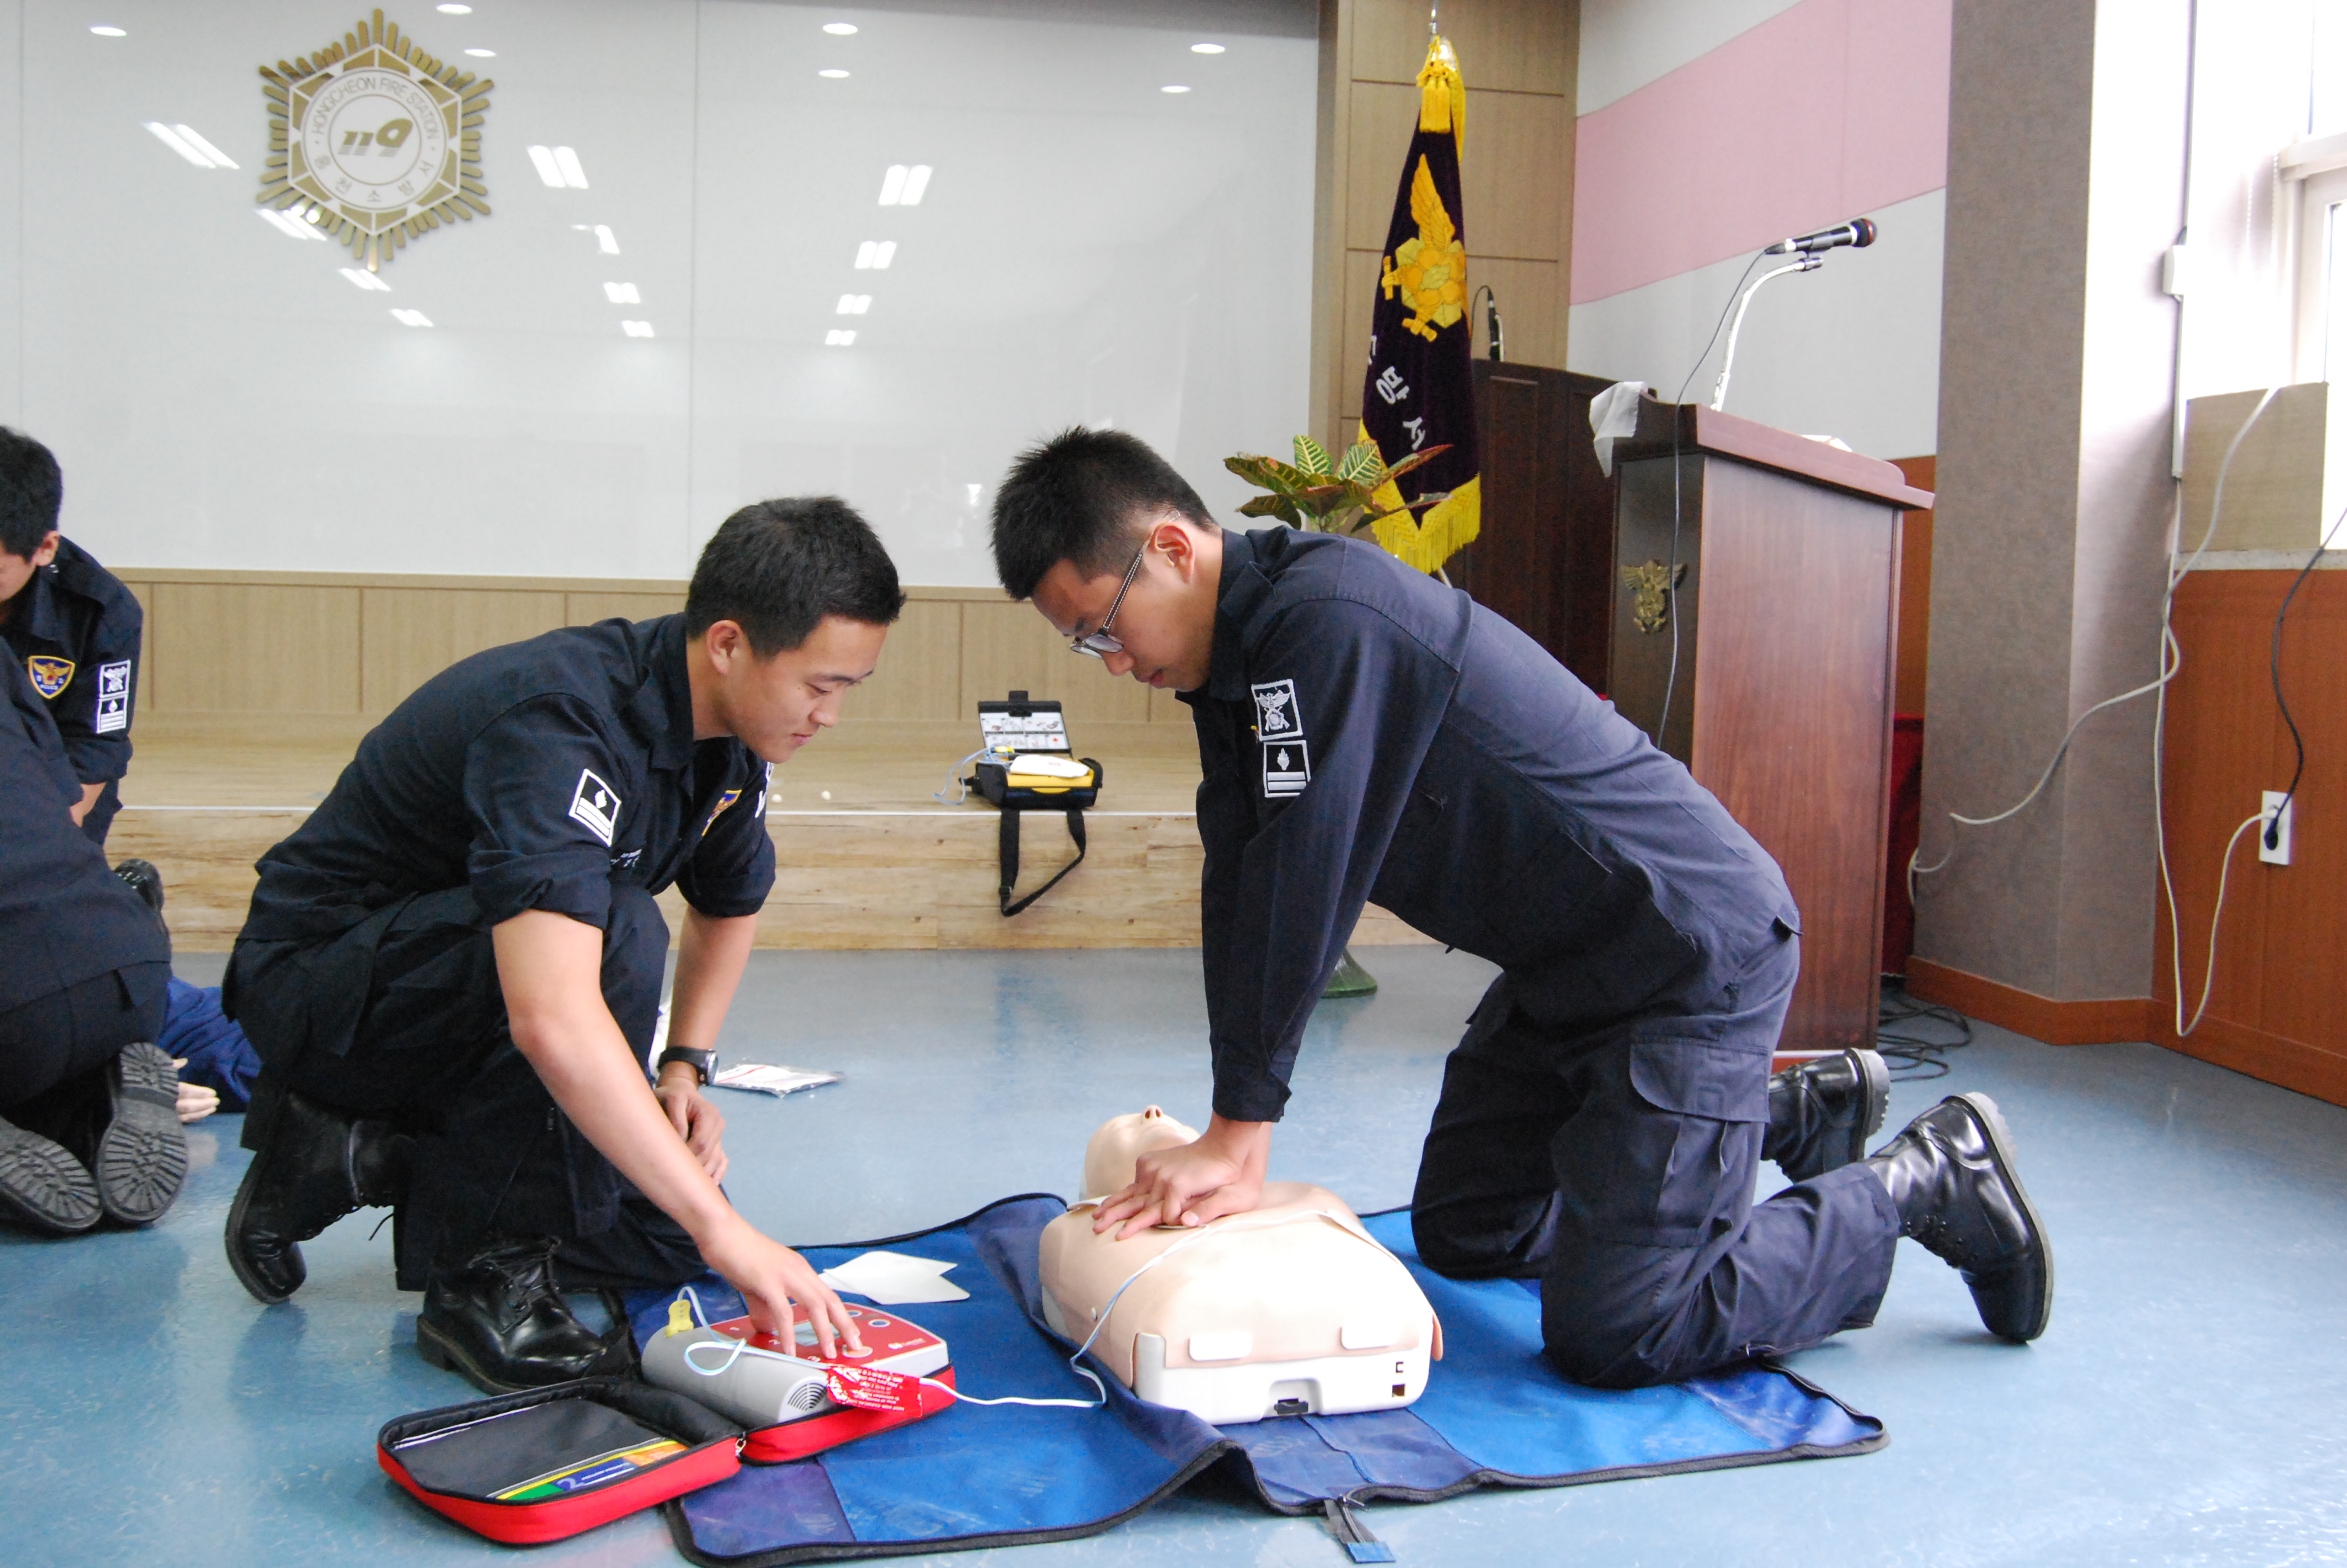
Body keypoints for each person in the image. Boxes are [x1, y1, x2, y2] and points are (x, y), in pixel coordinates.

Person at [989, 428, 2052, 1390]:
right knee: (1469, 1232)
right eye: (1086, 646)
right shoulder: (1234, 667)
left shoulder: (1329, 624)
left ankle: (1926, 1177)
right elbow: (1244, 880)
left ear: (1172, 549)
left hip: (1685, 960)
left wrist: (1238, 1134)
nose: (1113, 663)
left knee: (1626, 1328)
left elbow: (1307, 879)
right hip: (1563, 969)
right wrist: (1229, 1113)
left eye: (1102, 627)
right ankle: (1786, 1114)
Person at [220, 497, 902, 1393]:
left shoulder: (733, 737)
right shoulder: (560, 722)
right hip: (324, 991)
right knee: (618, 929)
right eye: (819, 686)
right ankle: (482, 1279)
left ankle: (352, 1156)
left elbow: (729, 902)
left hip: (441, 978)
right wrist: (725, 1231)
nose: (832, 715)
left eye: (850, 688)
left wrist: (683, 1070)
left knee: (658, 1241)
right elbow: (551, 1014)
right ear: (729, 644)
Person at [0, 646, 188, 1235]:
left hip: (14, 1008)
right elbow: (65, 794)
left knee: (25, 1043)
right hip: (127, 969)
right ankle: (91, 1103)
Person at [0, 426, 144, 849]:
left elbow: (94, 746)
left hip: (46, 779)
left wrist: (47, 842)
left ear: (44, 548)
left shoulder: (101, 611)